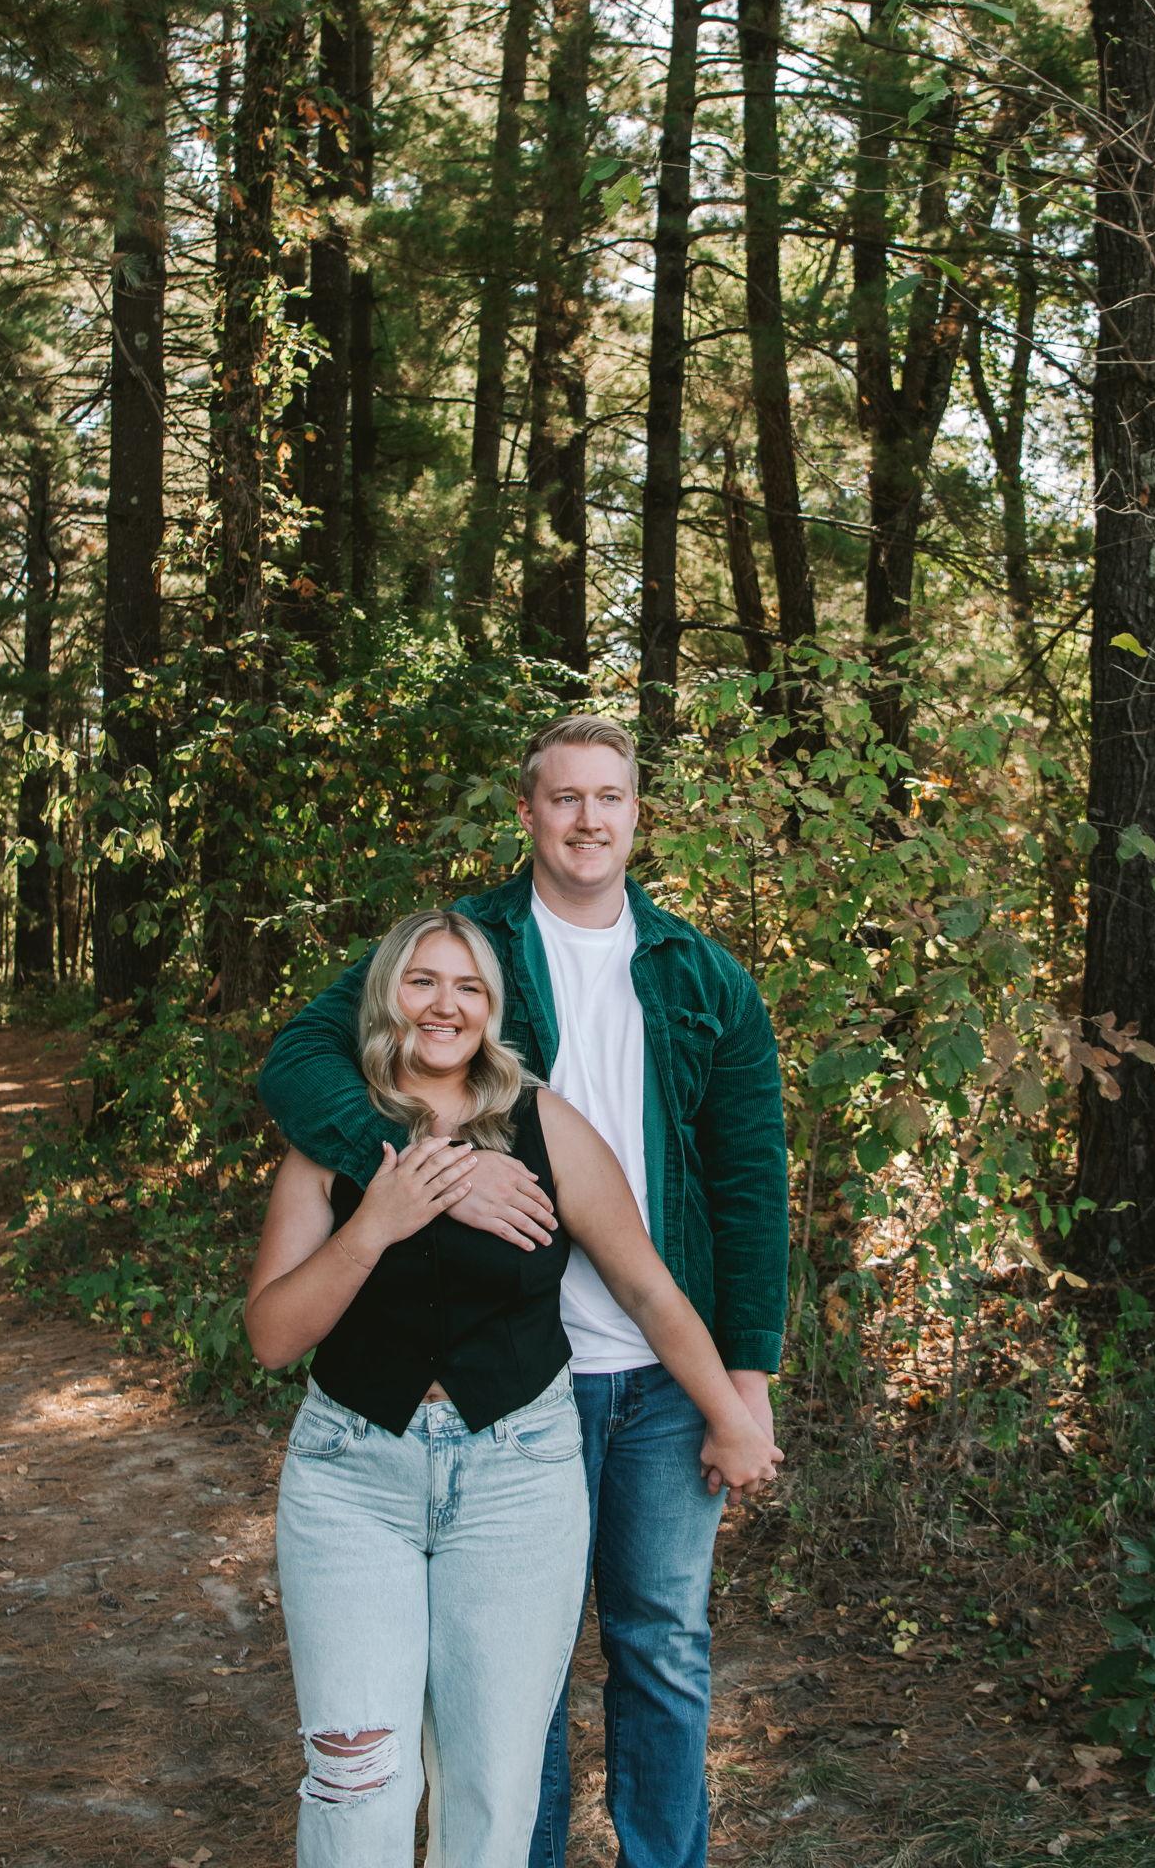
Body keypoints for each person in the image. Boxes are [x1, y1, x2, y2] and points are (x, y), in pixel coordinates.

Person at [259, 714, 790, 1868]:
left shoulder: (705, 977)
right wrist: (431, 1171)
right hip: (519, 1371)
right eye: (564, 797)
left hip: (661, 1373)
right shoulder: (465, 948)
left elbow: (748, 1184)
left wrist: (741, 1380)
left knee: (661, 1642)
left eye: (610, 797)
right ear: (528, 811)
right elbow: (304, 1059)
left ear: (636, 814)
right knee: (509, 1687)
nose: (587, 819)